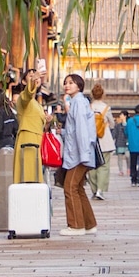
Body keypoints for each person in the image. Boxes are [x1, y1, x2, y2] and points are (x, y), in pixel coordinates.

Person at [57, 74, 100, 236]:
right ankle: (89, 224)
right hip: (79, 152)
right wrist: (64, 132)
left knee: (70, 187)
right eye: (65, 83)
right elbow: (77, 129)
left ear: (79, 86)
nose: (67, 85)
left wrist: (83, 154)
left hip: (79, 154)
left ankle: (76, 225)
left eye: (71, 83)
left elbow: (82, 130)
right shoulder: (78, 102)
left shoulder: (78, 103)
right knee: (78, 188)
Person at [12, 68, 51, 184]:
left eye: (37, 76)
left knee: (36, 175)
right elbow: (27, 95)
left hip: (37, 139)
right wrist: (33, 81)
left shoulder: (37, 103)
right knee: (28, 175)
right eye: (31, 76)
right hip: (28, 138)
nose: (35, 78)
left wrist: (47, 121)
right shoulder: (23, 98)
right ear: (24, 81)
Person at [89, 85, 116, 200]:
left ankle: (94, 190)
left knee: (92, 166)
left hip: (90, 140)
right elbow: (113, 124)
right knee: (104, 166)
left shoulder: (88, 107)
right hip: (104, 140)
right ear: (103, 94)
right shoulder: (106, 108)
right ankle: (100, 190)